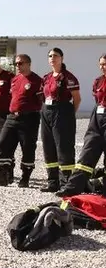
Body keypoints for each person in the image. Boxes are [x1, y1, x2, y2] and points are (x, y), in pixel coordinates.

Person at [0, 54, 44, 188]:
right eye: (16, 64)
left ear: (29, 64)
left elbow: (41, 101)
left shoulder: (37, 81)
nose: (18, 66)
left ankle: (25, 177)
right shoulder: (15, 79)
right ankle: (2, 175)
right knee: (3, 144)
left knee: (27, 147)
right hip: (12, 117)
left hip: (29, 118)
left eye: (21, 63)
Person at [57, 54, 106, 196]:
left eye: (105, 64)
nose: (102, 67)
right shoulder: (98, 81)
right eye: (101, 64)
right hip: (97, 117)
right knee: (87, 152)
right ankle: (73, 187)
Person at [39, 47, 80, 192]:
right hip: (47, 111)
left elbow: (77, 99)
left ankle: (66, 183)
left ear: (62, 58)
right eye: (50, 56)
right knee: (48, 146)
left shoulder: (69, 77)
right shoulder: (47, 77)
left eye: (55, 55)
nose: (52, 58)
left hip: (62, 111)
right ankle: (52, 182)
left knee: (63, 148)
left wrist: (68, 115)